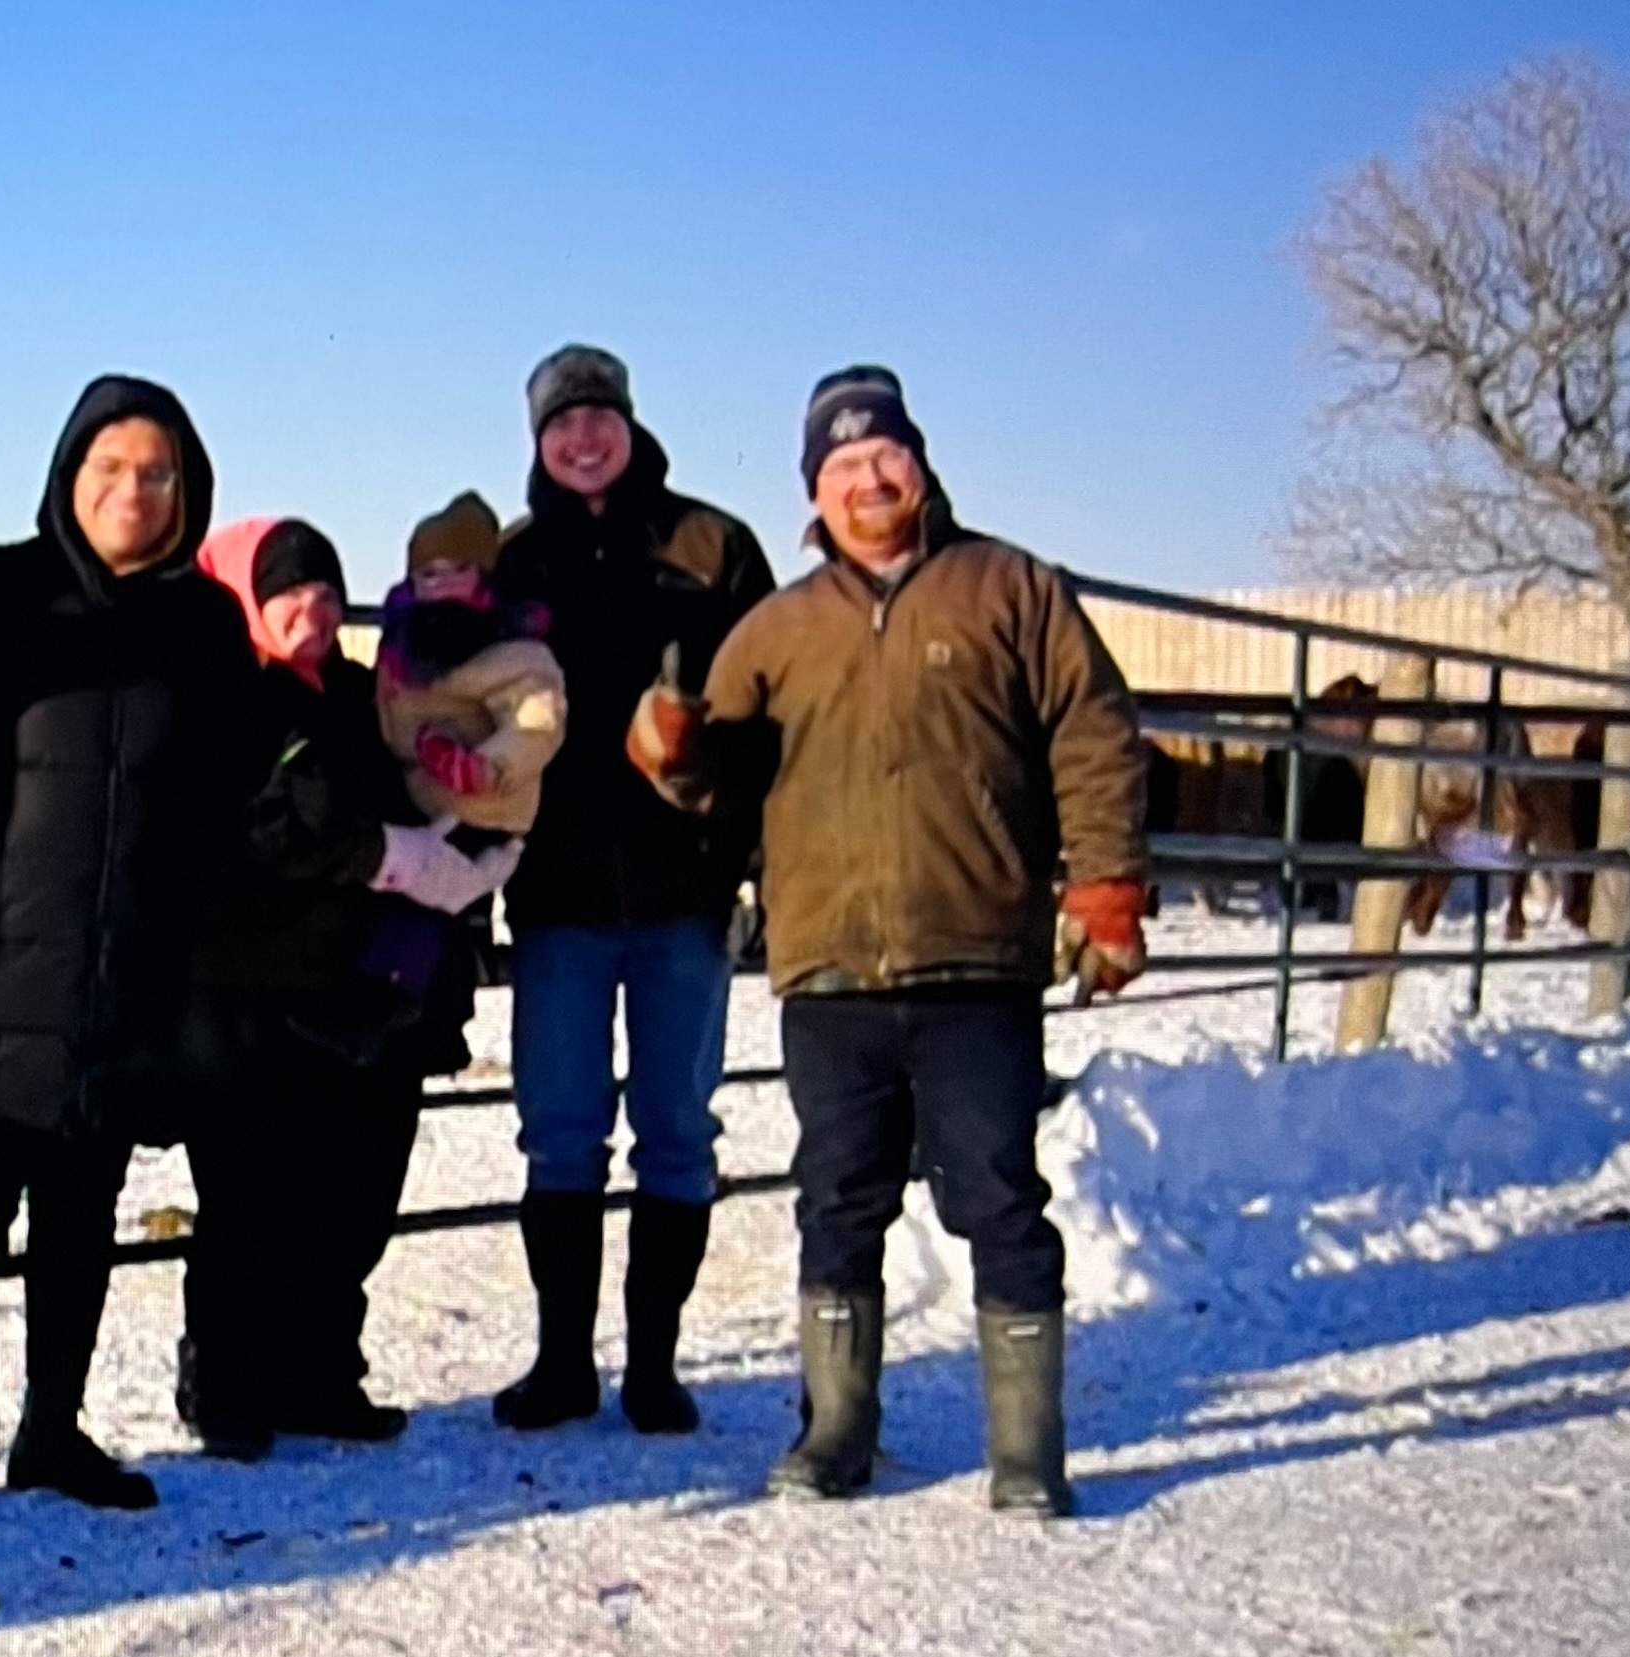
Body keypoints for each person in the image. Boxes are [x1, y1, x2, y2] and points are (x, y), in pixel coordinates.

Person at [628, 365, 1149, 1513]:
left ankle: (1026, 1450)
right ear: (812, 491)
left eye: (884, 457)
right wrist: (670, 752)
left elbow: (1093, 735)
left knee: (998, 1196)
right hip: (830, 966)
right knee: (837, 1197)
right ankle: (835, 1431)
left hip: (976, 955)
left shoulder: (1008, 590)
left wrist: (1105, 886)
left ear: (917, 465)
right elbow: (717, 780)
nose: (867, 480)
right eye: (842, 465)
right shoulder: (775, 630)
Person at [0, 374, 257, 1513]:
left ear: (187, 490)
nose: (133, 490)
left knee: (81, 1221)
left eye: (157, 472)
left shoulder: (204, 625)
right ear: (71, 475)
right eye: (110, 467)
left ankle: (51, 1432)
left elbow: (230, 787)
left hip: (128, 978)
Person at [172, 515, 522, 1461]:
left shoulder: (370, 698)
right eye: (289, 591)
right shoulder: (224, 698)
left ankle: (321, 1372)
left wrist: (472, 839)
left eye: (328, 594)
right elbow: (243, 832)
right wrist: (376, 854)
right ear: (248, 599)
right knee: (249, 1196)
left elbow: (426, 785)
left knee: (354, 1191)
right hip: (251, 984)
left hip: (366, 985)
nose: (313, 611)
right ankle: (225, 1378)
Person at [488, 344, 775, 1436]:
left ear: (629, 422)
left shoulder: (713, 547)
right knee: (559, 1131)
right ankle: (562, 1361)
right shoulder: (513, 563)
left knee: (676, 1129)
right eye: (560, 423)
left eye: (597, 415)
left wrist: (728, 824)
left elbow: (769, 710)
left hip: (680, 891)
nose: (582, 438)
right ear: (538, 440)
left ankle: (653, 1367)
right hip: (556, 892)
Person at [329, 489, 567, 1054]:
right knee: (395, 890)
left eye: (457, 570)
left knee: (423, 895)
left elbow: (537, 720)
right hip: (421, 792)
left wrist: (484, 768)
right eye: (428, 573)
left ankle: (398, 1001)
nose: (440, 584)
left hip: (483, 805)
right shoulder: (404, 643)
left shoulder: (513, 650)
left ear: (485, 576)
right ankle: (398, 999)